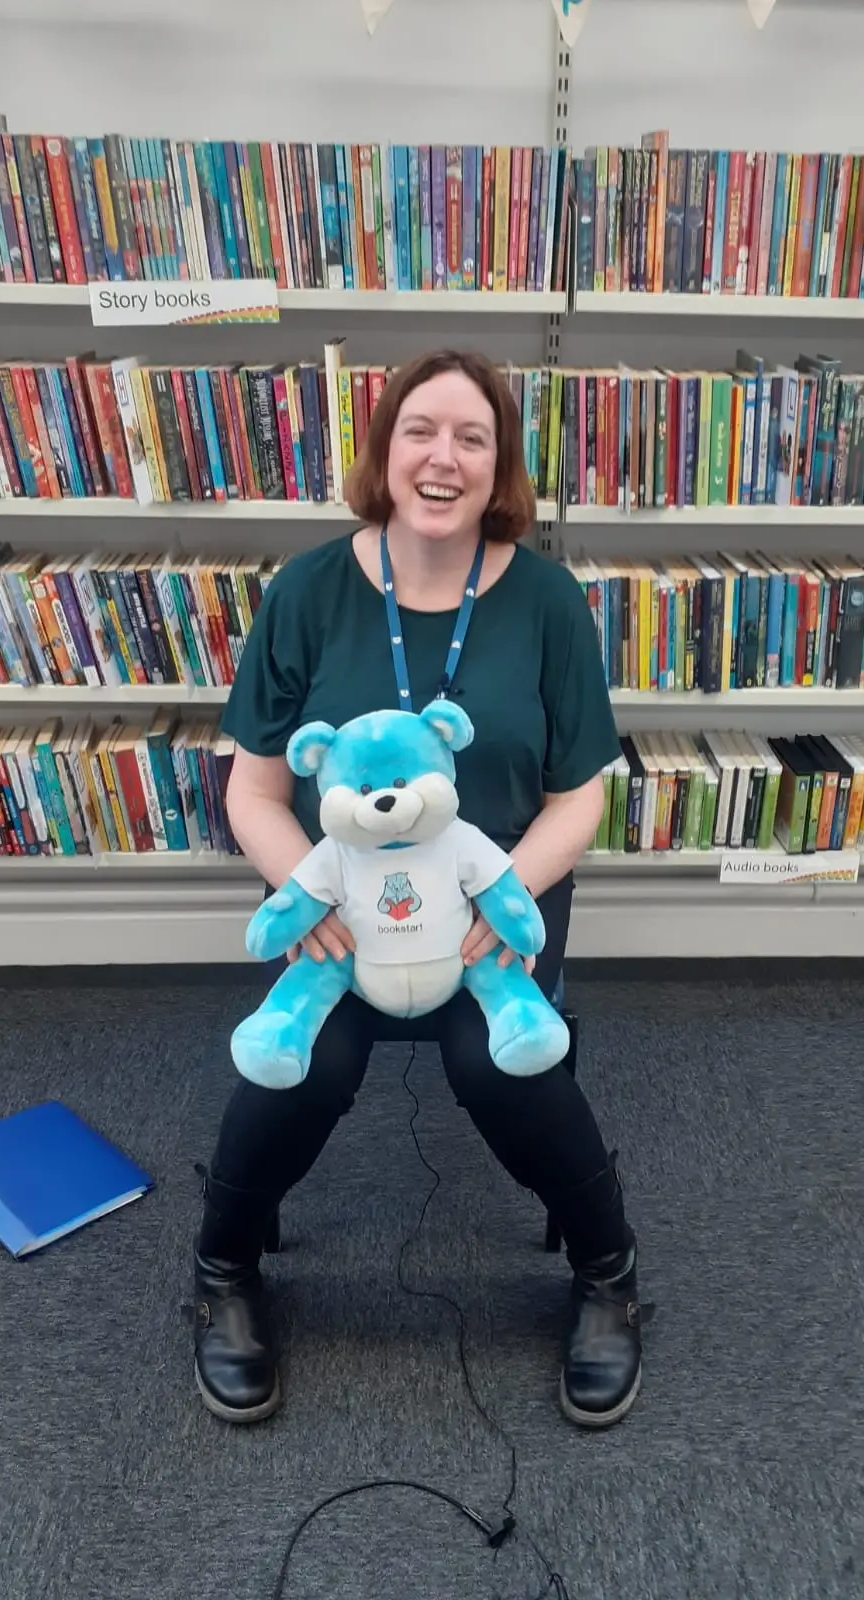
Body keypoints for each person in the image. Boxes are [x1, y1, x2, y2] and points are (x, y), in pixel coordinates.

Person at [192, 347, 650, 1432]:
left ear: (501, 472)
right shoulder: (309, 590)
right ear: (385, 450)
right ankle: (222, 1273)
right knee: (306, 1060)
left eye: (473, 438)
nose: (444, 457)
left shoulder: (545, 598)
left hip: (498, 897)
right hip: (344, 908)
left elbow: (579, 798)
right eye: (421, 431)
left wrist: (502, 905)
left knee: (500, 1065)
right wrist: (304, 905)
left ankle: (610, 1271)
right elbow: (252, 789)